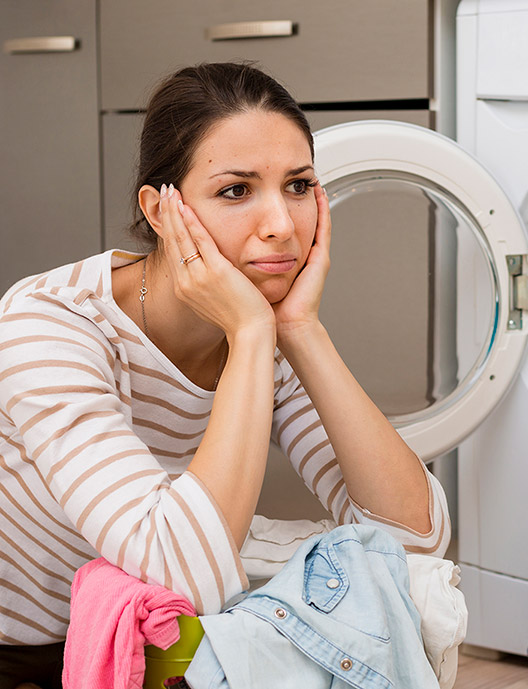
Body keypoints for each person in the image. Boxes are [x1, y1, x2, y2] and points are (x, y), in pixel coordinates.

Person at [0, 62, 450, 689]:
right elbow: (183, 572)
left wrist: (299, 332)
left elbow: (415, 540)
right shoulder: (49, 324)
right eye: (236, 191)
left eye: (298, 186)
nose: (282, 224)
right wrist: (249, 333)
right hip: (25, 658)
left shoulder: (265, 329)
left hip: (156, 642)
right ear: (161, 210)